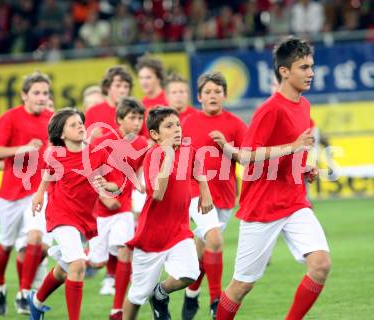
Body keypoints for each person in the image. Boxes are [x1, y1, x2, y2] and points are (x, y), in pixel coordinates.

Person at [215, 37, 331, 319]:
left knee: (321, 264)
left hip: (293, 201)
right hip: (262, 207)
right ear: (284, 71)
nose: (311, 73)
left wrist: (303, 167)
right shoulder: (270, 109)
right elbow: (245, 157)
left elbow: (291, 153)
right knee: (242, 285)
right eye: (304, 67)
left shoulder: (303, 106)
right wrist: (292, 149)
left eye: (311, 67)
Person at [27, 108, 122, 320]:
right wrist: (39, 195)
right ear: (61, 134)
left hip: (84, 219)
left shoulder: (98, 152)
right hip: (60, 216)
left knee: (64, 269)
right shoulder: (54, 154)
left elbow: (117, 184)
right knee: (78, 264)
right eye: (73, 124)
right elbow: (47, 174)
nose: (80, 126)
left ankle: (35, 302)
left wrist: (107, 184)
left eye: (81, 122)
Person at [123, 108, 214, 320]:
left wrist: (205, 192)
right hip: (152, 236)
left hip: (179, 230)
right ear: (155, 135)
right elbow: (158, 194)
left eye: (178, 125)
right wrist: (168, 157)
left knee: (190, 274)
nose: (176, 130)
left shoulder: (187, 149)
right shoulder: (154, 155)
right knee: (137, 295)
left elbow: (197, 167)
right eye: (169, 126)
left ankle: (160, 293)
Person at [180, 72, 247, 319]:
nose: (212, 96)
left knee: (205, 248)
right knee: (216, 241)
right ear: (199, 97)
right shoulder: (186, 123)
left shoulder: (236, 124)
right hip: (196, 193)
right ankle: (216, 300)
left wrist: (227, 148)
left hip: (226, 195)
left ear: (225, 95)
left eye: (217, 91)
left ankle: (191, 294)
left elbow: (248, 157)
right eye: (207, 92)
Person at [0, 71, 54, 316]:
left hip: (38, 191)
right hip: (12, 194)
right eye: (36, 93)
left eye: (45, 93)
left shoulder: (51, 119)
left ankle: (24, 294)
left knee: (35, 238)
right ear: (24, 95)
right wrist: (23, 149)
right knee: (5, 245)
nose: (41, 97)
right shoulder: (9, 118)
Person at [88, 97, 149, 320]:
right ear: (119, 120)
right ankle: (67, 256)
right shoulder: (100, 143)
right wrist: (104, 197)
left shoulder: (142, 142)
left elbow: (141, 165)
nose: (137, 122)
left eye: (140, 117)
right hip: (99, 211)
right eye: (132, 117)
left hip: (123, 208)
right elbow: (90, 174)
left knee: (125, 251)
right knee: (97, 262)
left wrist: (140, 184)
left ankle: (117, 310)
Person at [85, 65, 133, 141]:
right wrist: (91, 139)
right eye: (118, 86)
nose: (122, 91)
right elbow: (84, 146)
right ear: (107, 87)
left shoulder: (136, 111)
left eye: (126, 86)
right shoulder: (92, 112)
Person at [135, 54, 168, 138]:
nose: (144, 82)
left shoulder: (169, 101)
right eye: (141, 78)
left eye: (148, 77)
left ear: (159, 78)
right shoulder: (140, 104)